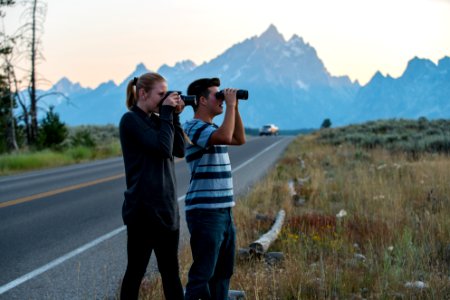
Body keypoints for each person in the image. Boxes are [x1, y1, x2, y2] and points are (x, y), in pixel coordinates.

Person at [119, 72, 185, 300]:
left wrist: (173, 117)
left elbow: (179, 150)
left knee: (171, 274)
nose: (165, 98)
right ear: (143, 93)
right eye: (161, 94)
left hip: (166, 210)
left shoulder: (158, 120)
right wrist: (166, 113)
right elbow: (162, 148)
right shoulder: (130, 121)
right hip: (143, 213)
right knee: (136, 272)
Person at [183, 77, 246, 300]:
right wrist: (229, 105)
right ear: (201, 100)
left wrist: (234, 106)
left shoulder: (210, 127)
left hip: (223, 210)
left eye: (222, 95)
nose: (221, 99)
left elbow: (238, 138)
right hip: (205, 211)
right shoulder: (192, 127)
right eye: (216, 95)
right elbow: (225, 136)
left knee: (223, 272)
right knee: (203, 274)